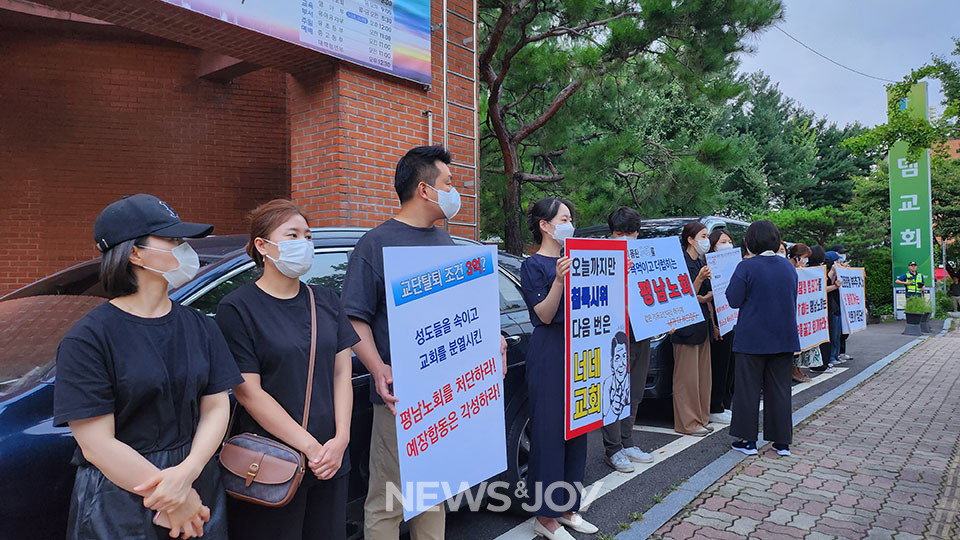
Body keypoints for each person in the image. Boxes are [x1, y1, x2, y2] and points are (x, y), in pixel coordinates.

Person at [340, 146, 507, 540]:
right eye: (448, 182)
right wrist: (378, 367)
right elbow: (353, 318)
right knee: (387, 501)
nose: (455, 191)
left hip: (446, 395)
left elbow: (462, 314)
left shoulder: (445, 243)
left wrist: (491, 340)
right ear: (425, 189)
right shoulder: (375, 244)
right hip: (401, 399)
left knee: (433, 493)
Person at [53, 194, 242, 540]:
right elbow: (97, 444)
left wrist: (188, 474)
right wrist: (174, 499)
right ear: (134, 254)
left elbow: (216, 406)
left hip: (196, 482)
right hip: (119, 496)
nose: (184, 248)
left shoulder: (201, 326)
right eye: (171, 240)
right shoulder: (89, 337)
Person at [216, 199, 359, 540]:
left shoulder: (325, 299)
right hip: (270, 460)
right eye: (292, 235)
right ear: (263, 246)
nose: (304, 244)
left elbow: (342, 374)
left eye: (308, 236)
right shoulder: (237, 308)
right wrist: (310, 448)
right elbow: (249, 392)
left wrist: (340, 440)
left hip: (332, 458)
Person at [520, 197, 597, 540]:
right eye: (563, 218)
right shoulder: (533, 265)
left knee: (578, 428)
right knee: (549, 433)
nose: (569, 223)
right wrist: (559, 281)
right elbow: (545, 315)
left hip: (580, 348)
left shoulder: (581, 258)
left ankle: (568, 507)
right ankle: (545, 516)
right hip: (551, 350)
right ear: (545, 225)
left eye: (570, 217)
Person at [726, 220, 800, 457]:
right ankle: (782, 443)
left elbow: (733, 299)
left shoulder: (746, 267)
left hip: (752, 338)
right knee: (780, 389)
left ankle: (748, 441)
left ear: (750, 242)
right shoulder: (788, 267)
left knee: (748, 390)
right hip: (784, 336)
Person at [600, 207, 655, 473]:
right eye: (619, 234)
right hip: (611, 334)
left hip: (640, 330)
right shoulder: (599, 256)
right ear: (611, 233)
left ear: (637, 233)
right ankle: (613, 449)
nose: (625, 238)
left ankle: (627, 441)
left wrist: (664, 318)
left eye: (629, 234)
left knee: (634, 390)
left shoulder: (646, 254)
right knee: (613, 391)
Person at [672, 222, 713, 437]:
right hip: (684, 327)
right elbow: (682, 296)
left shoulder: (702, 262)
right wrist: (699, 281)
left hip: (702, 324)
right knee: (686, 379)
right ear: (690, 239)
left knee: (702, 377)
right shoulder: (680, 262)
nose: (706, 241)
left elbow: (703, 296)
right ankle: (687, 423)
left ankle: (701, 418)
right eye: (703, 236)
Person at [707, 229, 735, 425]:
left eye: (730, 241)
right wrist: (715, 325)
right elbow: (707, 299)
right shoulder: (708, 266)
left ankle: (726, 403)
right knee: (719, 364)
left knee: (730, 365)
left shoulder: (735, 265)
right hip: (718, 321)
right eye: (723, 241)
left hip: (732, 319)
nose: (727, 244)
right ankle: (715, 406)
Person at [788, 243, 819, 383]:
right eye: (804, 258)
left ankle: (798, 369)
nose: (805, 262)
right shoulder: (788, 269)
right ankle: (794, 371)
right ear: (796, 257)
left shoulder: (803, 271)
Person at [829, 244, 853, 362]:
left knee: (841, 333)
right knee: (834, 334)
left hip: (840, 305)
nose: (842, 257)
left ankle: (839, 354)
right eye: (840, 254)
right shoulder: (828, 271)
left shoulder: (842, 268)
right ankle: (833, 356)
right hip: (833, 306)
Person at [824, 251, 844, 367]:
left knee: (837, 335)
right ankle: (831, 357)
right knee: (832, 334)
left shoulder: (838, 273)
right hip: (831, 308)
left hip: (837, 308)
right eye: (836, 261)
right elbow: (826, 286)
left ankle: (836, 356)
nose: (838, 263)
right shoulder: (826, 273)